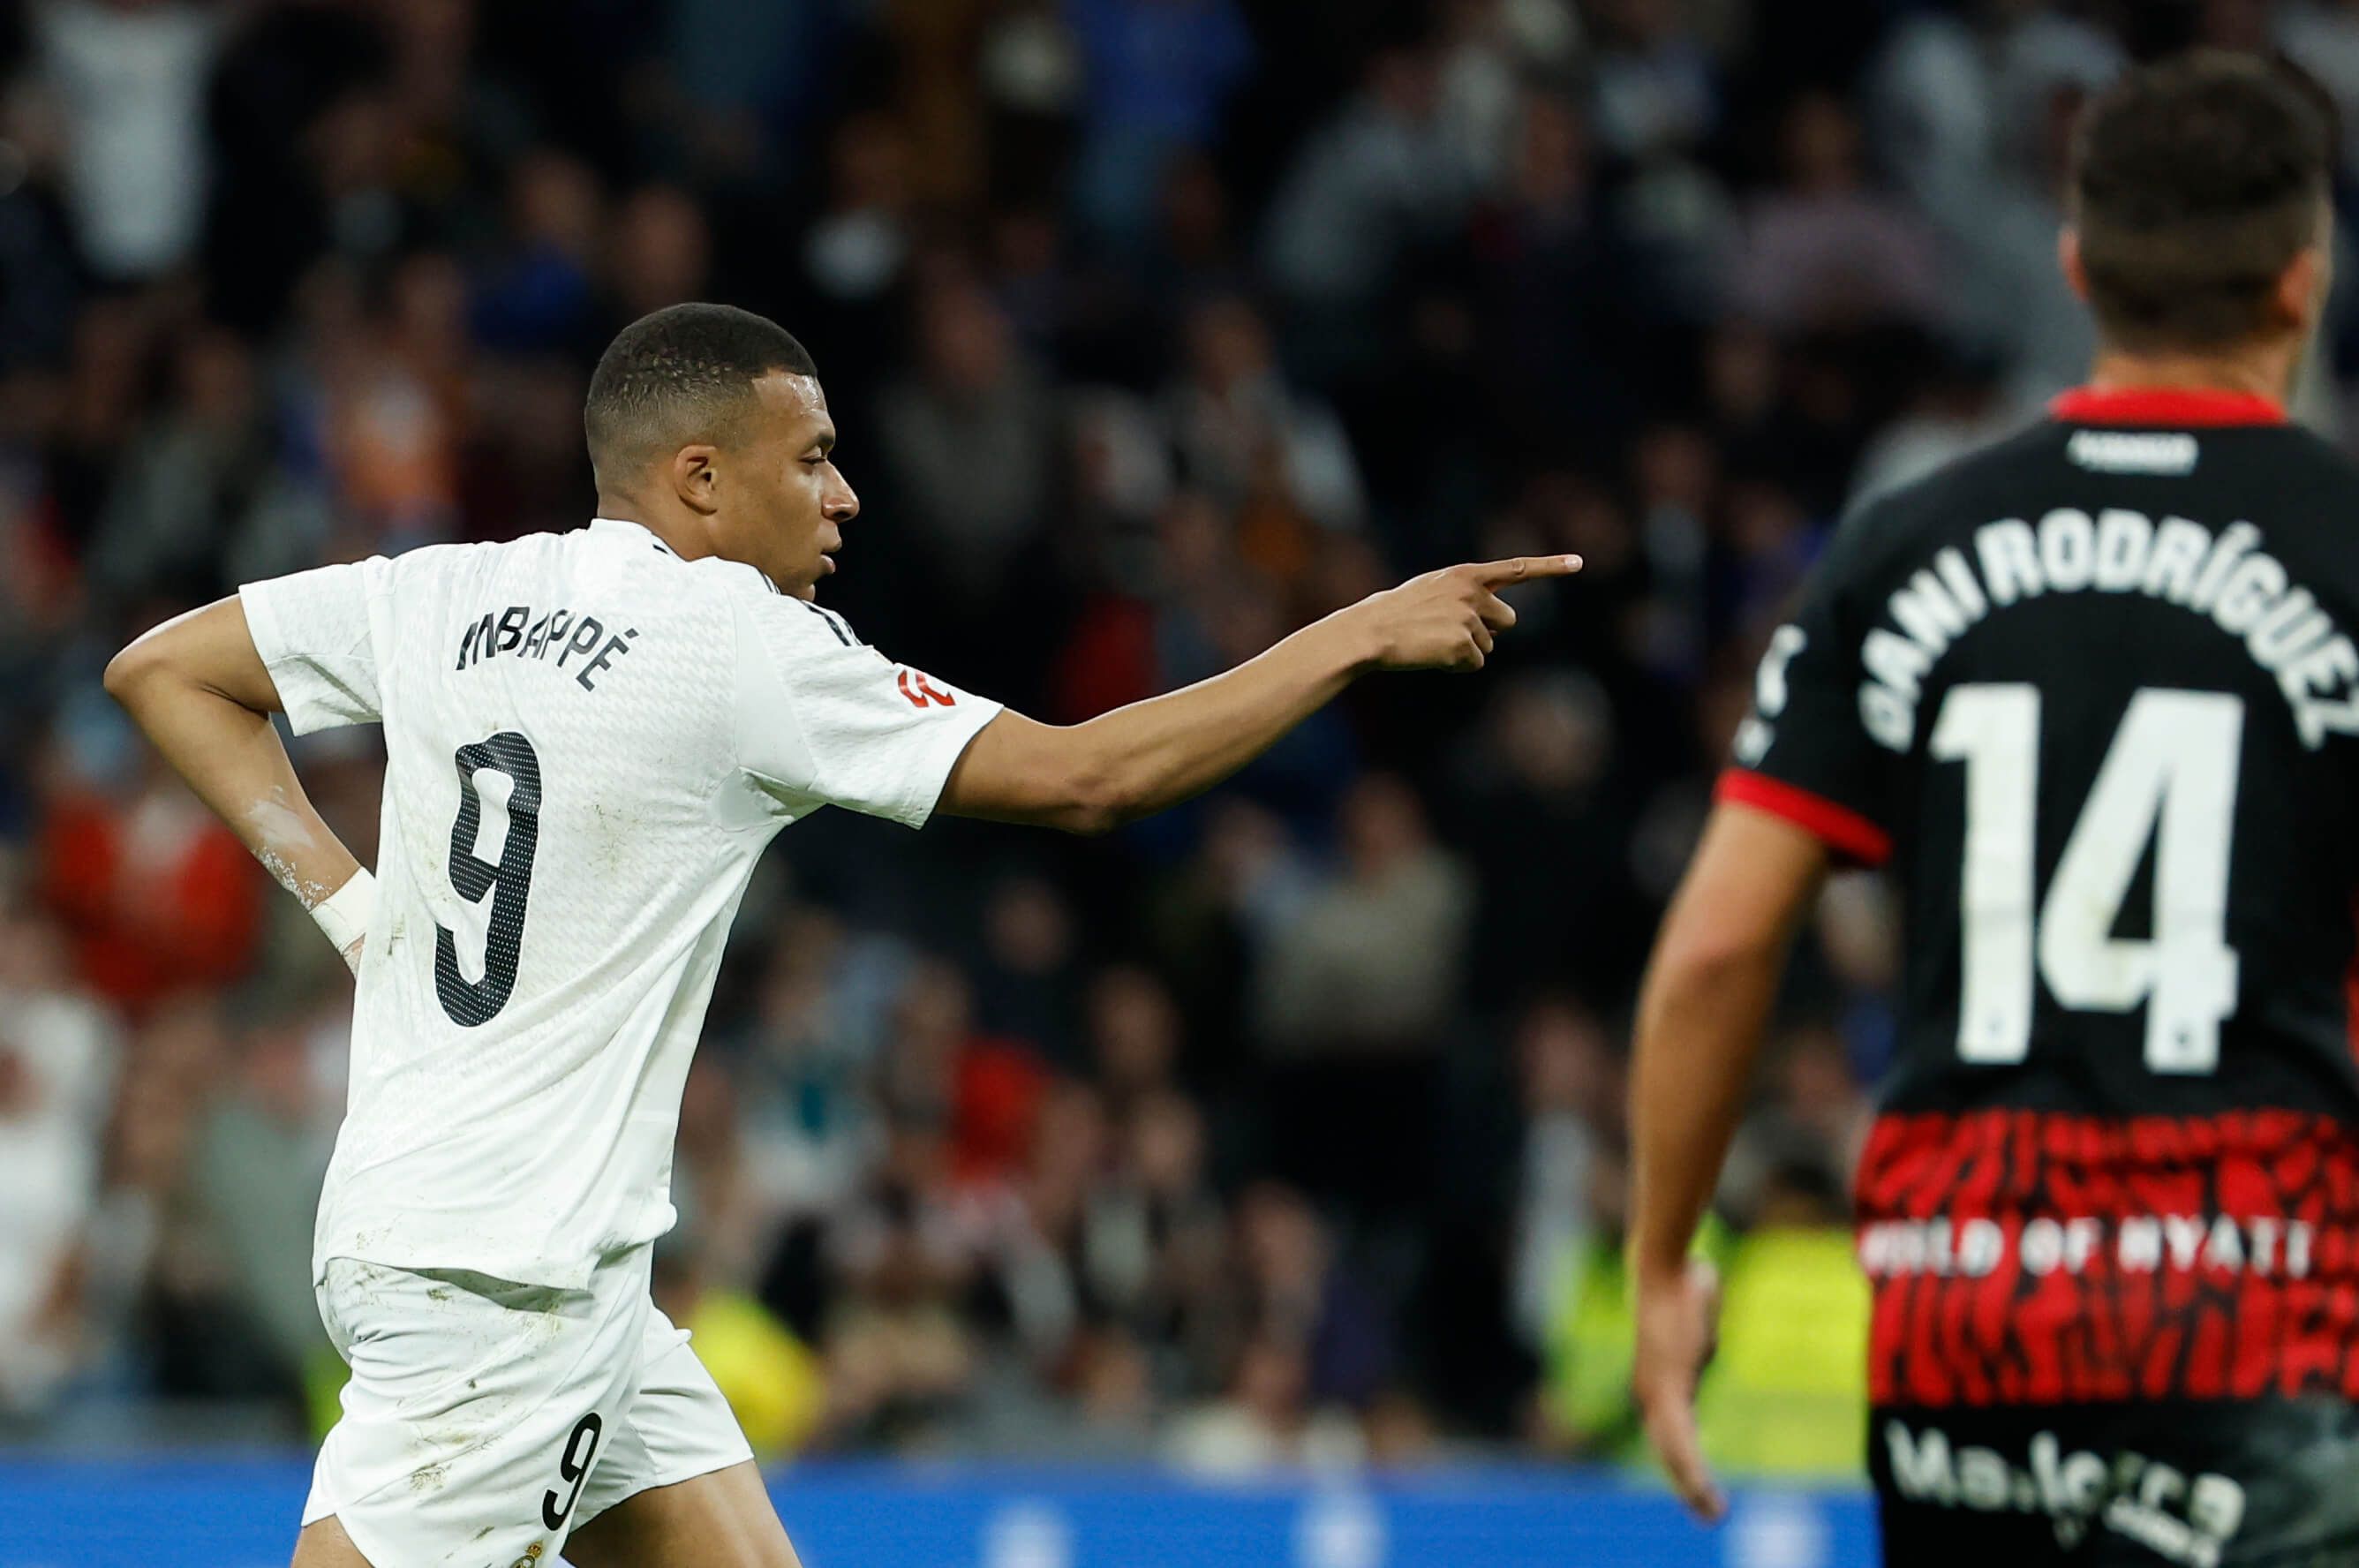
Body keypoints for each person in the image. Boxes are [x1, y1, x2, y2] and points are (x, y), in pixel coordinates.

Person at [101, 301, 1577, 1568]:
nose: (846, 495)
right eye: (809, 458)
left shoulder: (447, 591)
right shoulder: (743, 646)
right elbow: (1092, 777)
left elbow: (162, 670)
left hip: (546, 1265)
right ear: (699, 479)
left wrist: (352, 906)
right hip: (502, 1290)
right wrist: (1354, 632)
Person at [1628, 52, 2359, 1565]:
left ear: (2079, 266)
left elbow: (1715, 949)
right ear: (2304, 280)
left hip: (1969, 1337)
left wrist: (1658, 1265)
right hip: (2261, 1327)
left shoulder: (1907, 545)